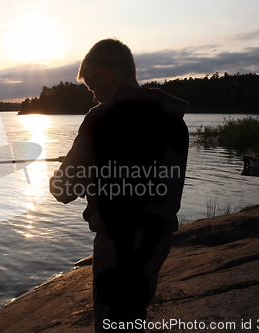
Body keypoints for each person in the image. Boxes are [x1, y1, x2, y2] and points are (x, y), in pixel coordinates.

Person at [49, 38, 189, 332]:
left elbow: (63, 190)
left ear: (107, 76)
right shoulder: (175, 121)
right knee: (134, 317)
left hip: (117, 244)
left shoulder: (101, 118)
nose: (94, 96)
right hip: (158, 241)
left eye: (92, 87)